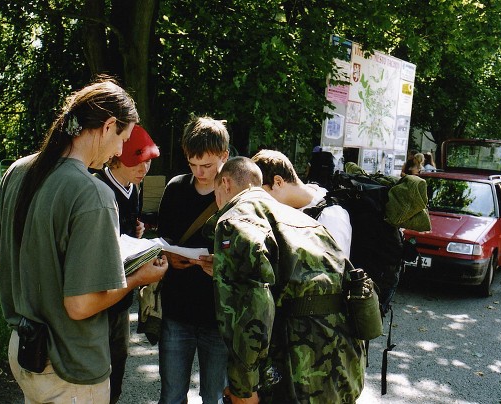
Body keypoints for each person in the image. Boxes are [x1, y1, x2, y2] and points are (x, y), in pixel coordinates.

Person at [0, 76, 168, 403]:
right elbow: (80, 304)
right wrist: (139, 277)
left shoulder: (17, 171)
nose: (120, 151)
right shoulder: (92, 193)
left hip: (25, 351)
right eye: (123, 139)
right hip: (69, 365)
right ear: (108, 126)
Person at [208, 157, 365, 404]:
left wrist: (244, 388)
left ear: (225, 183)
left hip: (295, 370)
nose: (216, 204)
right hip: (342, 361)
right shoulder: (303, 220)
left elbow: (248, 309)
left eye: (215, 194)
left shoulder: (235, 220)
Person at [157, 116, 229, 404]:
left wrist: (221, 266)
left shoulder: (237, 194)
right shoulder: (176, 188)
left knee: (214, 396)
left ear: (224, 156)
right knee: (172, 395)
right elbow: (162, 241)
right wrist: (170, 257)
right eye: (192, 164)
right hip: (178, 311)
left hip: (219, 316)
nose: (199, 172)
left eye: (207, 165)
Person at [94, 124, 160, 404]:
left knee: (119, 356)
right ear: (117, 156)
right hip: (97, 291)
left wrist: (136, 231)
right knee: (96, 362)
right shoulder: (96, 186)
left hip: (122, 294)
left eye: (147, 162)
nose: (143, 169)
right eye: (137, 162)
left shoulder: (135, 187)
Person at [252, 149, 352, 258]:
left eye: (260, 192)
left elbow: (336, 268)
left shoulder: (331, 217)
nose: (259, 200)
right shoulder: (289, 209)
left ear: (278, 182)